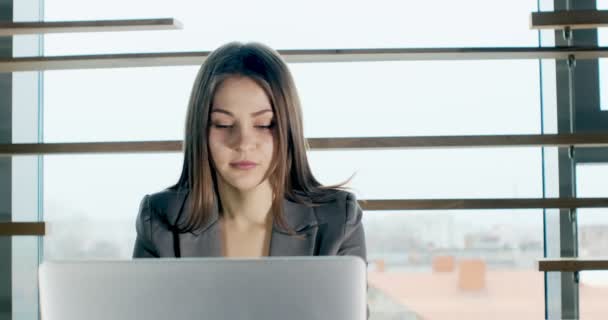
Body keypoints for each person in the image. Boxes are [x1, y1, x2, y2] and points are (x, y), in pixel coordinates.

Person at [132, 42, 366, 262]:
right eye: (223, 124)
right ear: (200, 131)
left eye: (264, 124)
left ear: (288, 129)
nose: (243, 143)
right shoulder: (158, 221)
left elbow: (348, 307)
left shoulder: (339, 220)